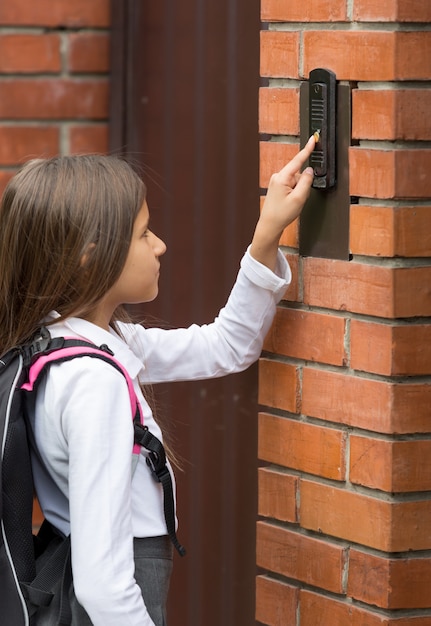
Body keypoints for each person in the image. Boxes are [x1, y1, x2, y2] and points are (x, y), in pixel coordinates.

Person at [0, 136, 315, 625]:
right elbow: (103, 585)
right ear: (90, 256)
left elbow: (226, 347)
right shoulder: (92, 381)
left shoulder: (67, 344)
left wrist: (266, 236)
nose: (160, 245)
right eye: (144, 234)